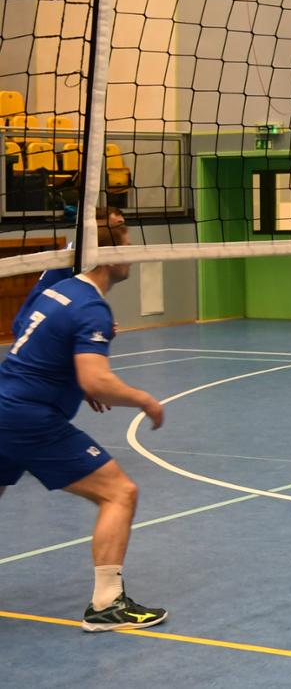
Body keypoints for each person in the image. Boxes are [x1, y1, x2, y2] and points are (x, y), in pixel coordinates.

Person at [0, 216, 171, 631]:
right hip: (30, 419)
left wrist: (76, 380)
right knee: (120, 493)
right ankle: (107, 604)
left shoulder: (56, 289)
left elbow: (24, 330)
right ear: (108, 257)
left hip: (5, 403)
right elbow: (97, 381)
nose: (131, 256)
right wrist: (144, 400)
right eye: (125, 247)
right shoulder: (92, 307)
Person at [10, 206, 125, 338]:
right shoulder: (79, 254)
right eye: (117, 225)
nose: (122, 230)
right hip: (33, 322)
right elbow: (80, 301)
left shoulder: (91, 254)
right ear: (98, 224)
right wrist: (98, 322)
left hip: (46, 321)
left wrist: (100, 322)